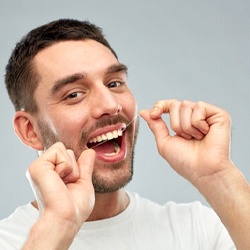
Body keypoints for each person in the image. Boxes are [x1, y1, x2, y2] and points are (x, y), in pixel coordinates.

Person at [0, 18, 249, 250]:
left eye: (114, 83)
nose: (110, 105)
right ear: (29, 130)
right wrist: (56, 227)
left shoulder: (199, 229)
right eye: (74, 94)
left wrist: (218, 176)